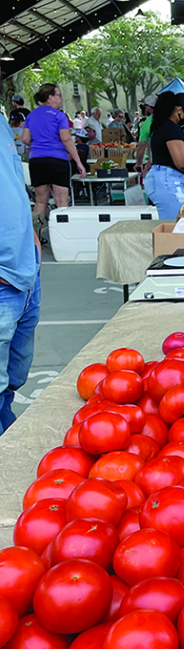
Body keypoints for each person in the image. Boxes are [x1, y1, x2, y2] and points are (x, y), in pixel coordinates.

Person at [0, 107, 41, 434]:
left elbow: (12, 182)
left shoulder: (1, 121)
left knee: (15, 373)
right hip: (4, 274)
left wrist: (32, 237)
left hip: (25, 267)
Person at [21, 83, 86, 236]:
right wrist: (78, 161)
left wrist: (38, 145)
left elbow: (25, 139)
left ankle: (35, 238)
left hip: (37, 160)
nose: (61, 99)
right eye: (59, 95)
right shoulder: (59, 116)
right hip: (57, 159)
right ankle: (65, 236)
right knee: (61, 201)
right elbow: (66, 139)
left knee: (40, 201)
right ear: (50, 97)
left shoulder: (32, 115)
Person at [143, 91, 184, 219]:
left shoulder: (164, 126)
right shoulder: (170, 128)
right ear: (179, 110)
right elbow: (180, 161)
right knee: (177, 227)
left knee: (177, 224)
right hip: (168, 182)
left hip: (163, 180)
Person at [134, 94, 158, 174]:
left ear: (148, 107)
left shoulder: (147, 124)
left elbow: (141, 146)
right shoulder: (171, 118)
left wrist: (139, 163)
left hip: (158, 165)